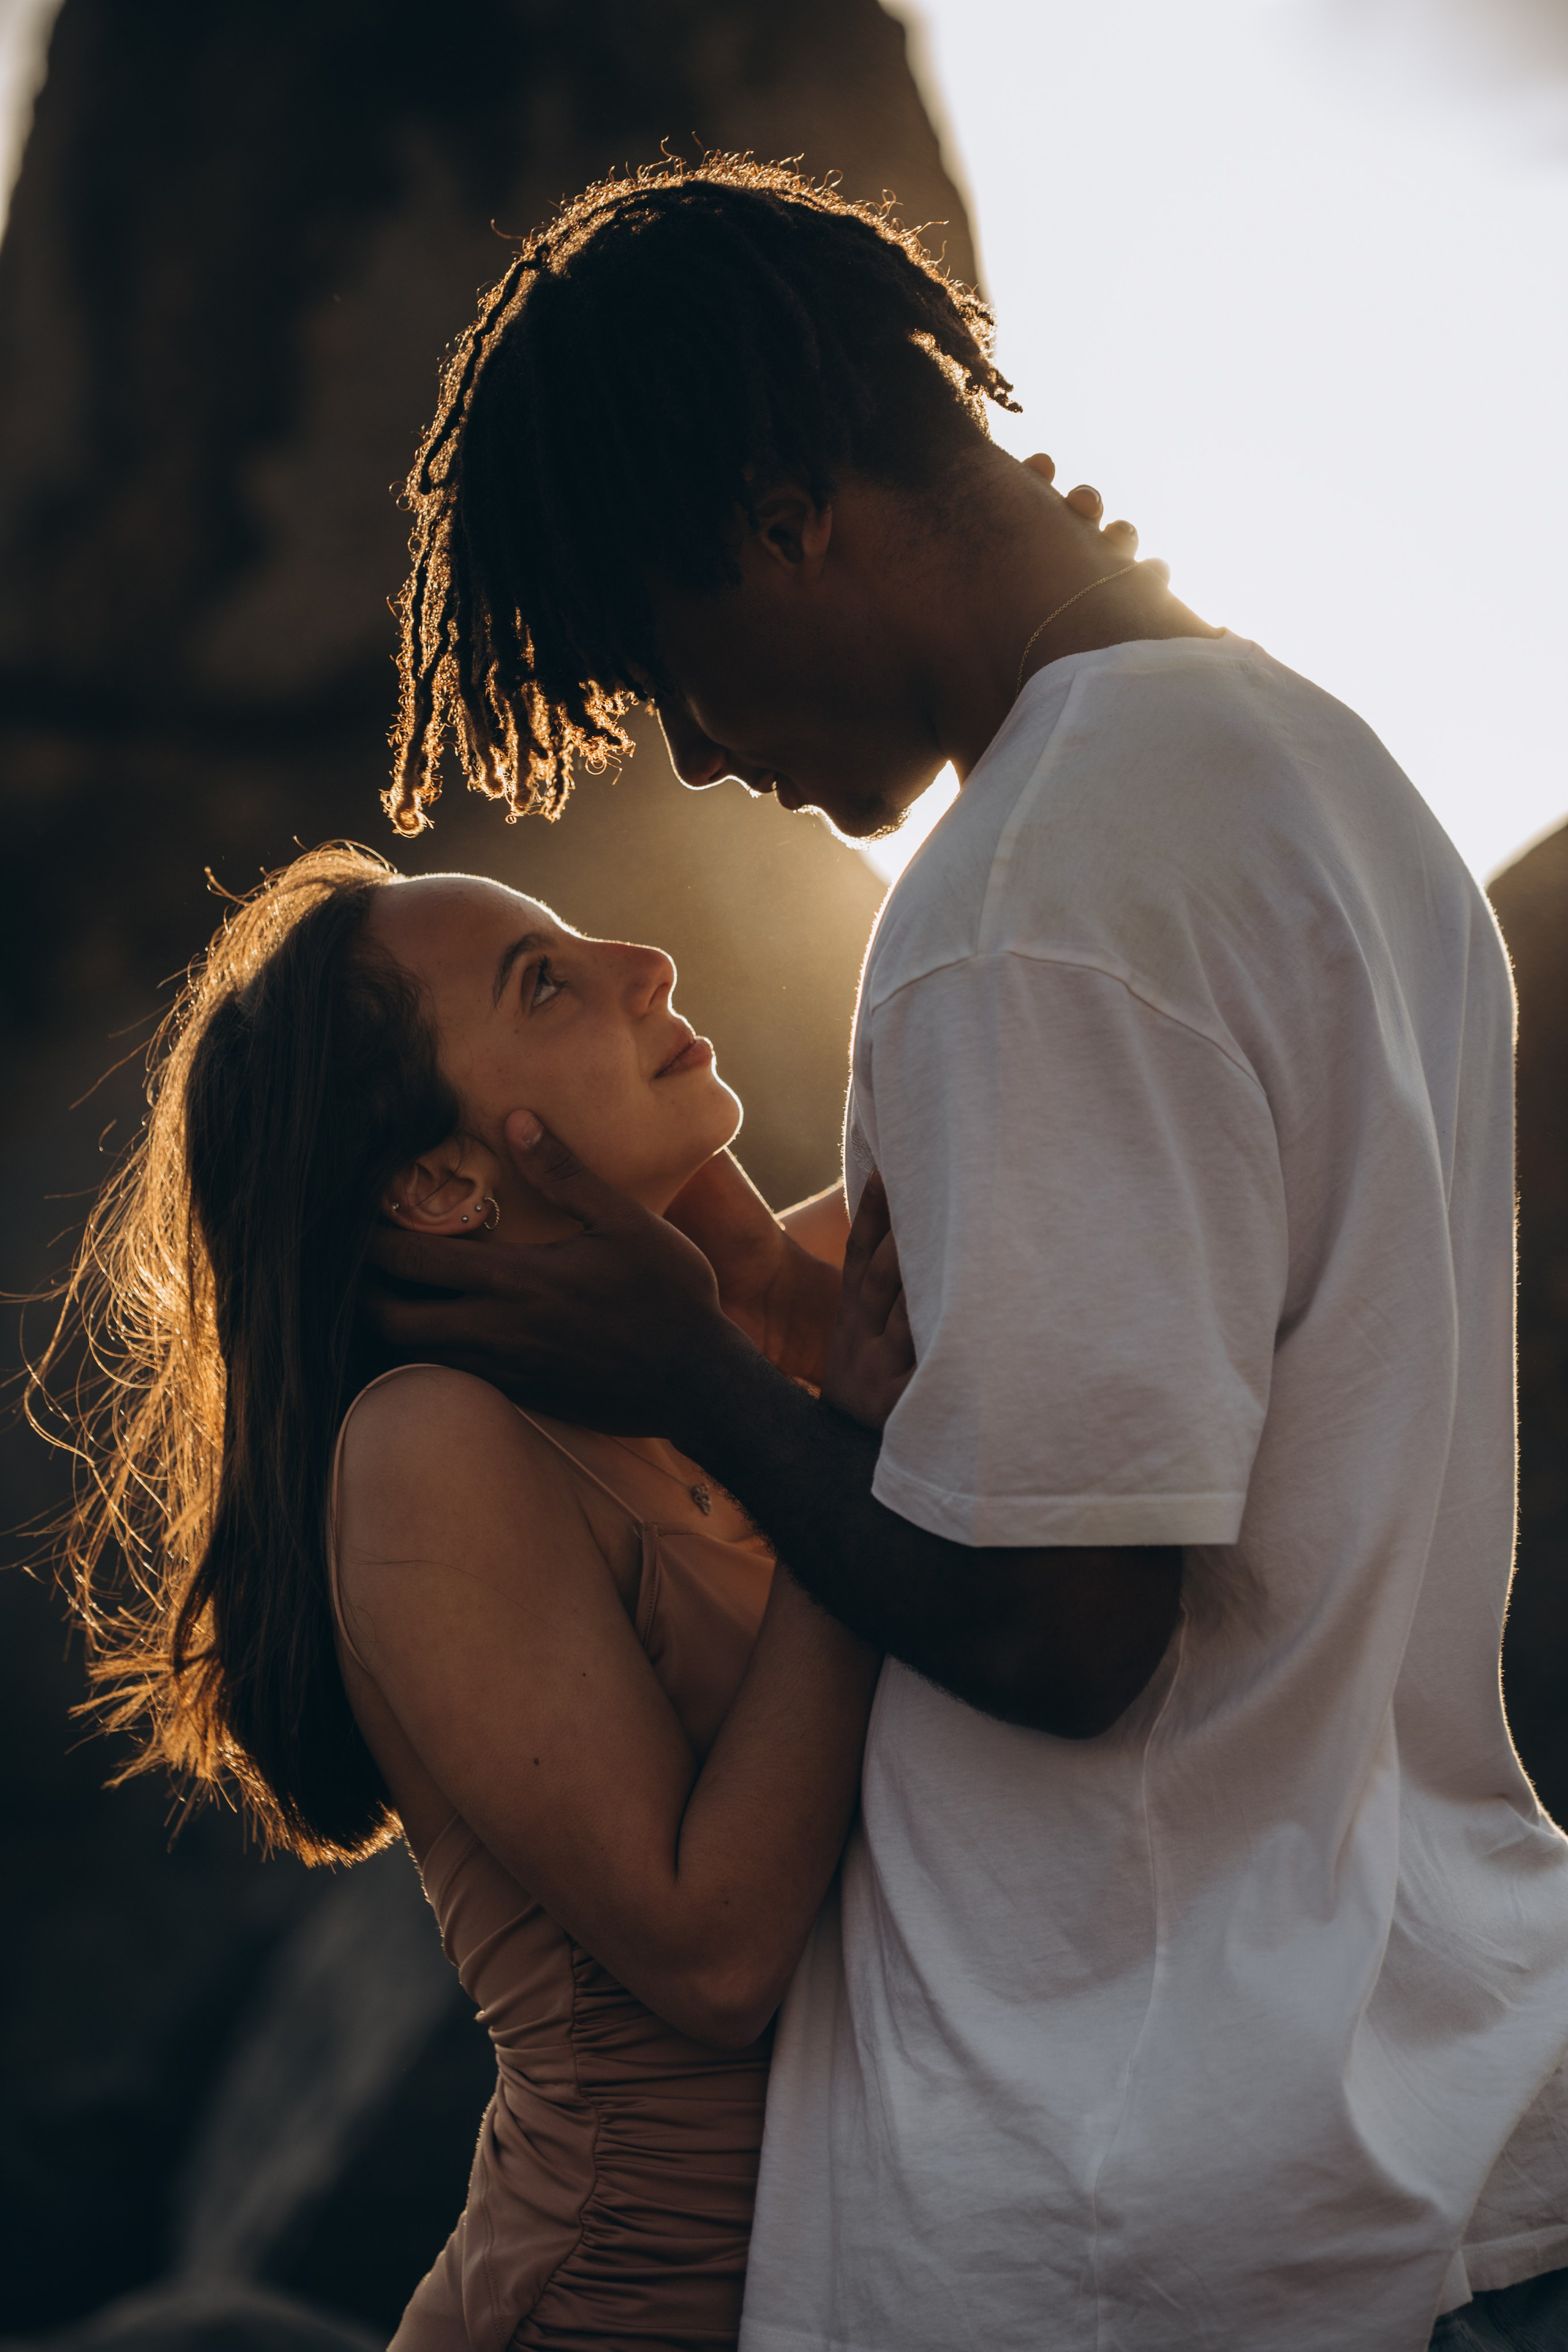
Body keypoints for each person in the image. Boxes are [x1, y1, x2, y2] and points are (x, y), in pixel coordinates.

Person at [368, 155, 1568, 2350]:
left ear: (780, 513)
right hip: (1407, 2088)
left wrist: (696, 1373)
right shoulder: (1334, 776)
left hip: (1126, 2200)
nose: (704, 752)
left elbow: (1067, 1626)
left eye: (669, 670)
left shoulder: (1030, 894)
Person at [40, 840, 905, 2352]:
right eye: (546, 983)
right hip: (627, 2309)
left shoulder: (730, 1340)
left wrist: (770, 1333)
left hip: (879, 2265)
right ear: (440, 1182)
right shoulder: (432, 1446)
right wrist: (846, 1458)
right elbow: (709, 1958)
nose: (649, 964)